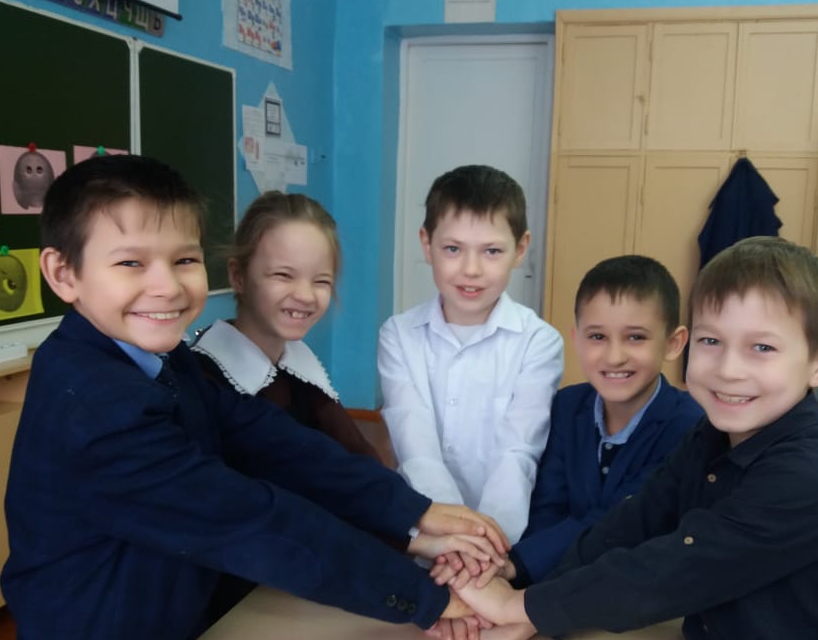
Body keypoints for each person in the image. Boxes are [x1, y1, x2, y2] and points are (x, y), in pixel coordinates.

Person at [0, 154, 508, 640]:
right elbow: (249, 519)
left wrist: (415, 512)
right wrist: (424, 598)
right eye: (130, 263)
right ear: (63, 273)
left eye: (184, 259)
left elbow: (268, 439)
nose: (167, 287)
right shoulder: (95, 403)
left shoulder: (161, 358)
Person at [447, 236, 818, 640]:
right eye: (712, 341)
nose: (728, 369)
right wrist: (530, 604)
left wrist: (516, 606)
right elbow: (632, 523)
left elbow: (674, 569)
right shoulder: (710, 437)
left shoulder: (809, 475)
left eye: (762, 347)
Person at [378, 164, 564, 545]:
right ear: (426, 244)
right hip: (425, 532)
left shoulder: (539, 342)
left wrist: (485, 545)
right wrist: (453, 539)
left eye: (492, 251)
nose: (471, 269)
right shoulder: (398, 336)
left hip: (502, 541)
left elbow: (517, 453)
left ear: (520, 249)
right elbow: (416, 449)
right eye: (453, 249)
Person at [505, 255, 702, 588]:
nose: (614, 356)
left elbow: (618, 520)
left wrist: (517, 566)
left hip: (636, 592)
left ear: (673, 343)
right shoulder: (567, 406)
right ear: (576, 339)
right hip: (552, 584)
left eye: (635, 337)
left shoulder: (687, 425)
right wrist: (522, 580)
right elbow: (547, 508)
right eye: (597, 337)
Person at [192, 190, 382, 463]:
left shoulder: (300, 366)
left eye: (321, 281)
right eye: (283, 275)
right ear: (238, 276)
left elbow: (358, 456)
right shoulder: (204, 381)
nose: (305, 295)